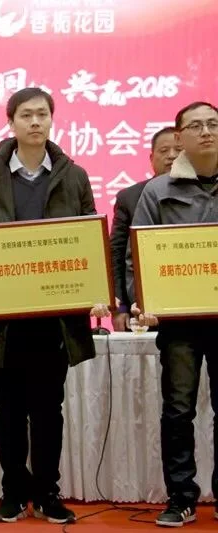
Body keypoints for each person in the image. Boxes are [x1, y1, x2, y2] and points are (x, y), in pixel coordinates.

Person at [0, 88, 109, 524]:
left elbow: (89, 237)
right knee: (8, 409)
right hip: (4, 320)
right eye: (26, 115)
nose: (35, 122)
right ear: (11, 123)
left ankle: (46, 493)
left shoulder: (74, 177)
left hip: (55, 319)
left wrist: (97, 288)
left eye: (43, 114)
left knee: (48, 410)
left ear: (52, 120)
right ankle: (12, 493)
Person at [128, 101, 218, 527]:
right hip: (180, 323)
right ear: (179, 137)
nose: (207, 132)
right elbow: (137, 256)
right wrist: (141, 300)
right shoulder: (158, 191)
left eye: (213, 124)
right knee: (179, 410)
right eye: (196, 126)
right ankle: (181, 496)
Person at [109, 127, 179, 331]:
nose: (171, 156)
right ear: (151, 158)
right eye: (164, 150)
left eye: (179, 150)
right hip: (141, 308)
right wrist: (120, 307)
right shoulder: (129, 197)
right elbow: (116, 254)